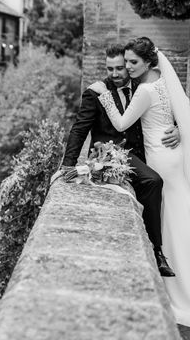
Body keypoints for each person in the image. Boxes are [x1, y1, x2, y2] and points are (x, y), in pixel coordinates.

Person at [55, 43, 179, 279]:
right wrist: (67, 165)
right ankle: (157, 252)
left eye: (120, 68)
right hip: (111, 154)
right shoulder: (95, 91)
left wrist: (179, 128)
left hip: (147, 152)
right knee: (152, 181)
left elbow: (165, 111)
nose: (115, 74)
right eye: (110, 68)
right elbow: (79, 129)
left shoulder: (142, 86)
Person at [88, 37, 190, 326]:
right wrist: (180, 128)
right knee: (180, 212)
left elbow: (121, 124)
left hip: (161, 156)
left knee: (170, 218)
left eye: (133, 62)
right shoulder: (163, 80)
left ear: (148, 62)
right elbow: (185, 106)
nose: (128, 67)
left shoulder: (145, 89)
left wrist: (102, 94)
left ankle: (179, 291)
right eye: (127, 61)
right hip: (174, 153)